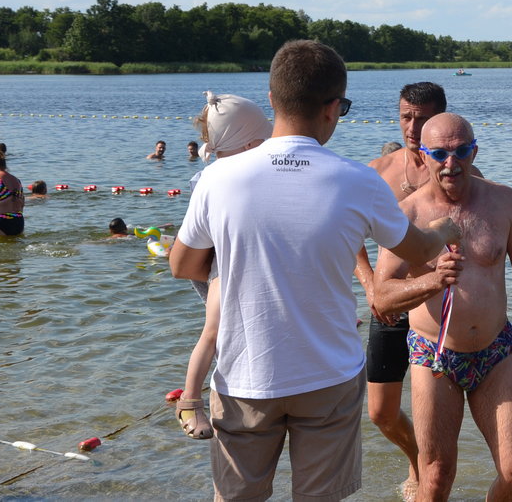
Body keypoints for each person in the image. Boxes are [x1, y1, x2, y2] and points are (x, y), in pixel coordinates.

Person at [169, 40, 460, 502]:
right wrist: (446, 225)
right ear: (332, 108)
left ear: (272, 100)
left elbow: (182, 264)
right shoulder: (358, 180)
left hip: (246, 376)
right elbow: (419, 246)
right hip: (329, 375)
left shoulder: (218, 178)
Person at [372, 112, 512, 501]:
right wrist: (433, 279)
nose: (451, 163)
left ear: (474, 151)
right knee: (437, 476)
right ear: (423, 155)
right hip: (434, 355)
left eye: (461, 151)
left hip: (495, 352)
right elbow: (380, 297)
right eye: (440, 153)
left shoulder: (504, 201)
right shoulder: (407, 215)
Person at [353, 82, 458, 500]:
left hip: (436, 311)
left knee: (434, 415)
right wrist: (369, 285)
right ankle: (417, 457)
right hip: (392, 306)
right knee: (379, 412)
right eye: (405, 117)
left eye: (422, 118)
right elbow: (350, 231)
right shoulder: (378, 171)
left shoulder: (458, 169)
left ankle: (431, 472)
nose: (413, 126)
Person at [174, 90, 274, 441]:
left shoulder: (248, 169)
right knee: (214, 329)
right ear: (251, 144)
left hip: (244, 259)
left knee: (233, 327)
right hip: (219, 263)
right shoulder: (212, 177)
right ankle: (190, 400)